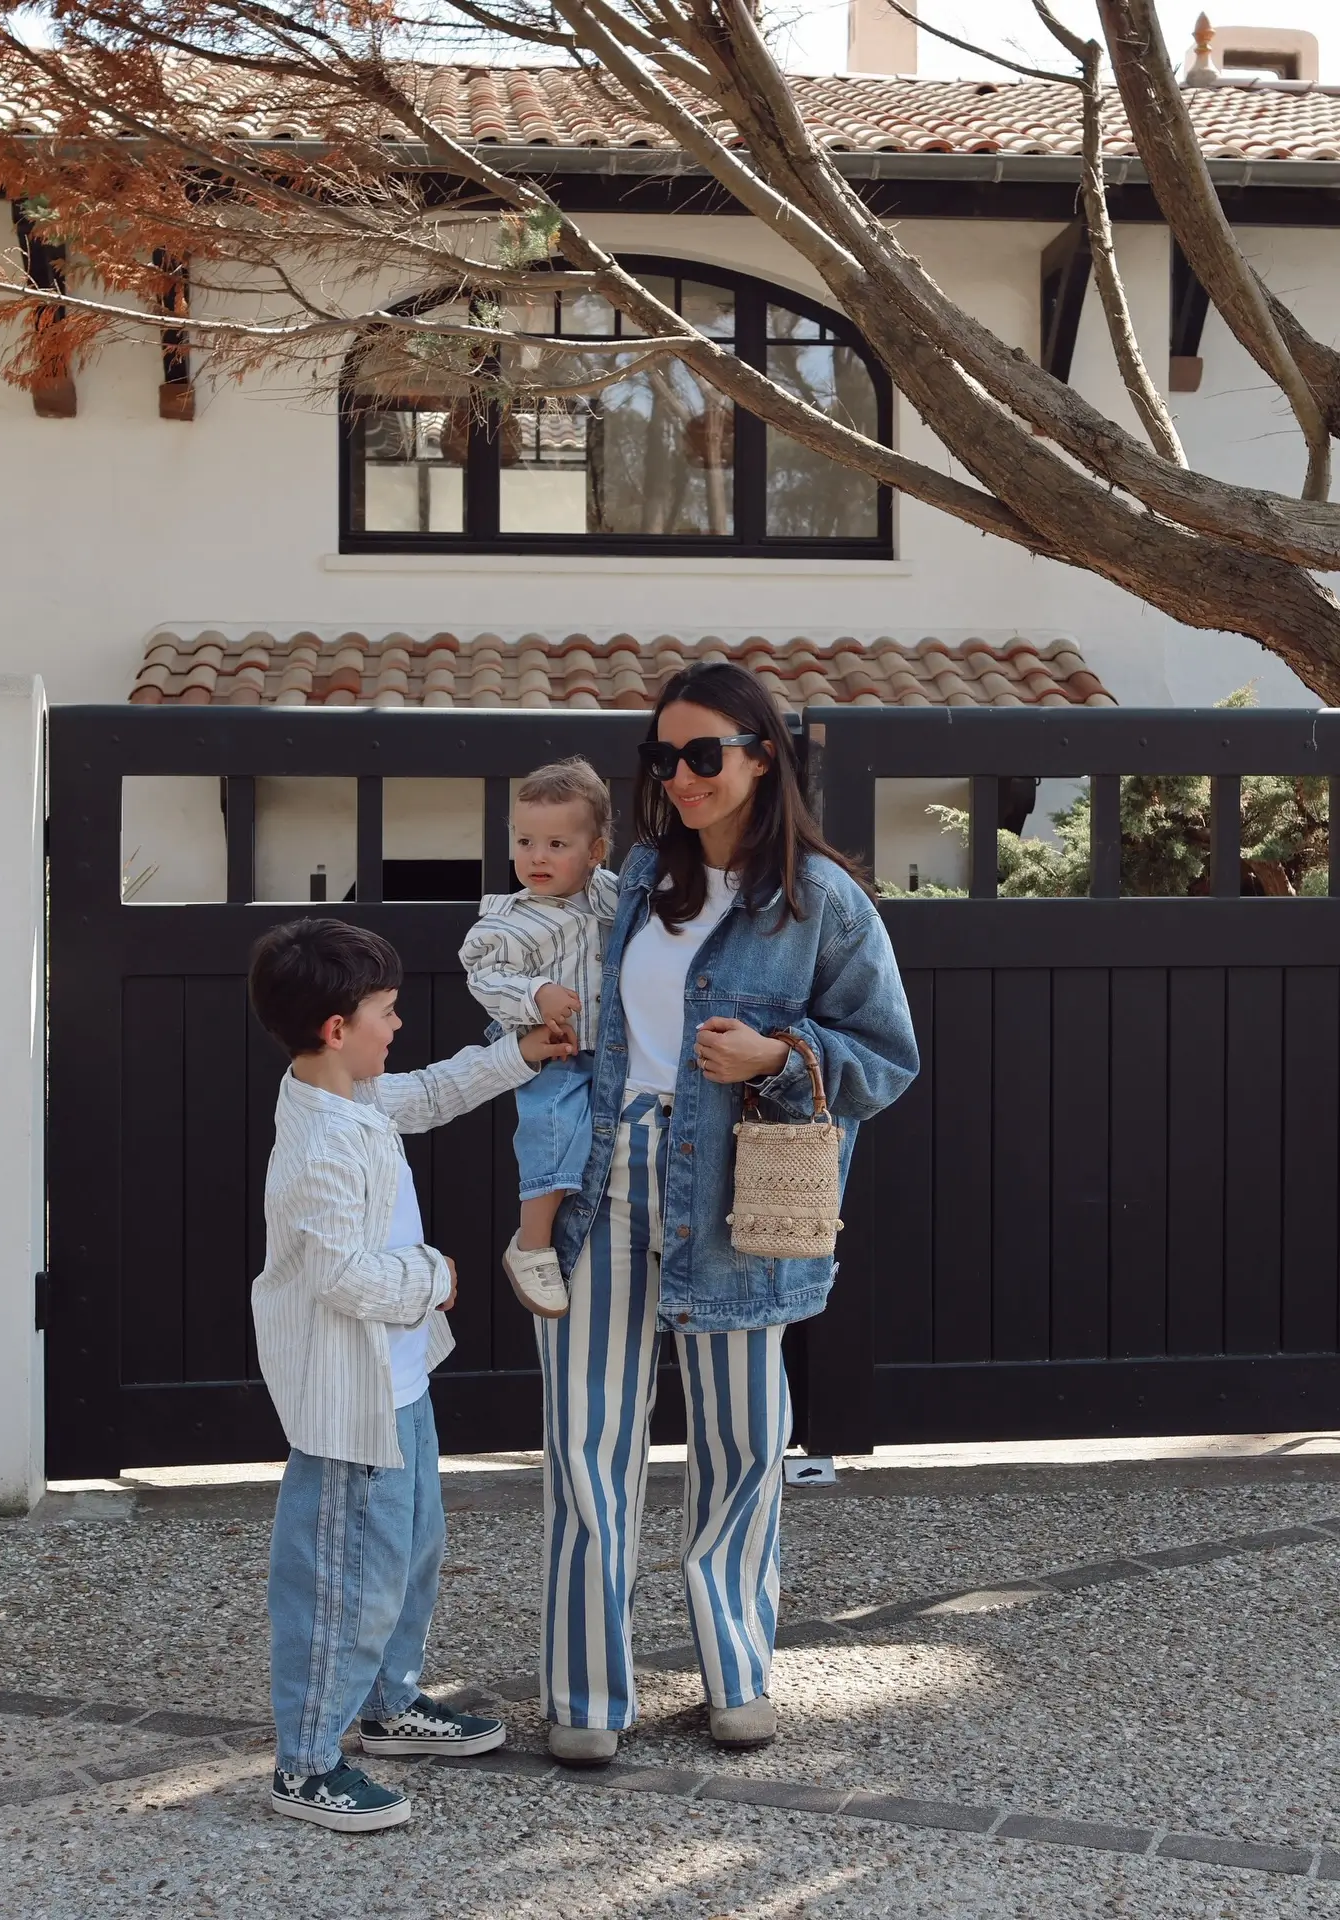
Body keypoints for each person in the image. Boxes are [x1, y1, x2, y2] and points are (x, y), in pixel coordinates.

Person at [539, 662, 920, 1768]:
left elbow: (886, 1058)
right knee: (586, 1447)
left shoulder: (820, 901)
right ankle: (586, 1695)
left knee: (744, 1447)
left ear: (763, 754)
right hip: (612, 1178)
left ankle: (737, 1675)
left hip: (734, 1194)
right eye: (666, 757)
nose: (684, 776)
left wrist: (783, 1056)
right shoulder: (641, 875)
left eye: (706, 753)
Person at [247, 916, 570, 1831]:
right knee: (345, 1580)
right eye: (386, 1012)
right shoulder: (317, 1145)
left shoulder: (353, 1098)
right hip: (354, 1408)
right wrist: (438, 1276)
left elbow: (429, 1093)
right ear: (336, 1028)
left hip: (400, 1387)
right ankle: (307, 1761)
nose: (400, 1026)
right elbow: (342, 1276)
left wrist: (523, 1052)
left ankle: (389, 1706)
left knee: (409, 1553)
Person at [460, 758, 618, 1320]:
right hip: (550, 1050)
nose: (537, 857)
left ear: (595, 852)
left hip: (612, 1048)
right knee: (551, 1128)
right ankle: (532, 1244)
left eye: (556, 844)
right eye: (525, 841)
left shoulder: (612, 899)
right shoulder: (510, 921)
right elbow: (484, 977)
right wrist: (536, 993)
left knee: (606, 1142)